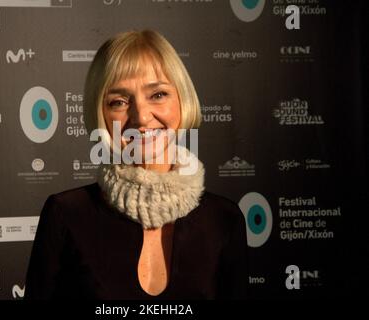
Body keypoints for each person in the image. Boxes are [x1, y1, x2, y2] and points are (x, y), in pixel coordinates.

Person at [24, 30, 248, 299]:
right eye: (119, 101)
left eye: (157, 95)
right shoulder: (65, 214)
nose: (141, 117)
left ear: (182, 100)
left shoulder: (223, 219)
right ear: (101, 114)